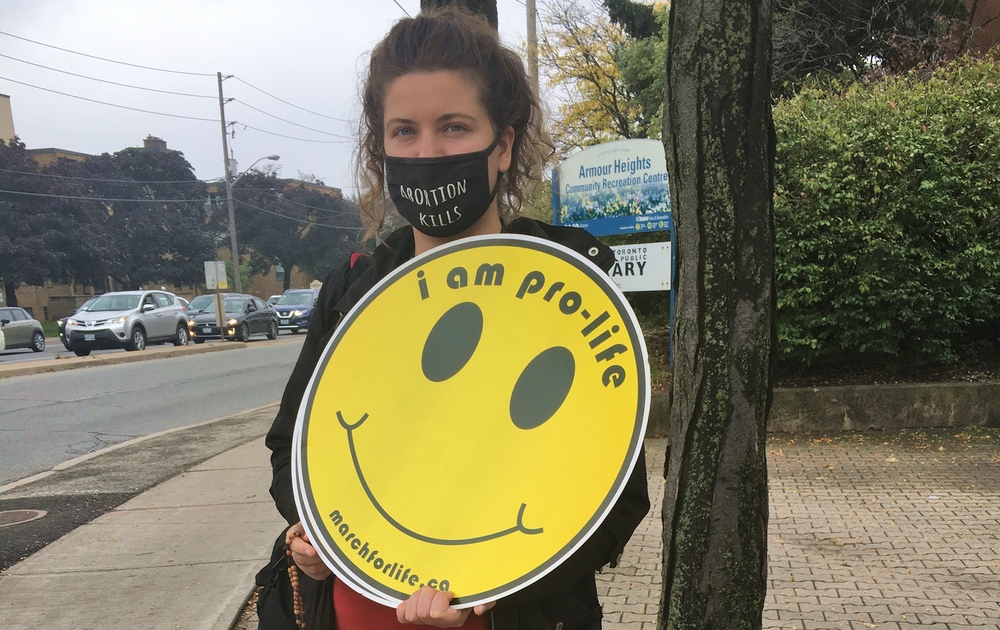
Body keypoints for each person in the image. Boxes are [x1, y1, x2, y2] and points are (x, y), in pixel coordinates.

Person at [262, 7, 650, 629]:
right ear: (380, 147)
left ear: (503, 144)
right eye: (404, 131)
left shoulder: (570, 295)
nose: (428, 151)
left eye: (454, 126)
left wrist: (497, 590)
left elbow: (616, 497)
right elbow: (294, 445)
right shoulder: (352, 290)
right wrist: (310, 536)